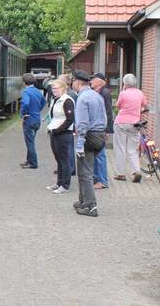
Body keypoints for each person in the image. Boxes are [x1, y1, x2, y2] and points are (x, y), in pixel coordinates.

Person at [72, 69, 107, 217]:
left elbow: (82, 122)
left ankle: (90, 206)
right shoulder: (96, 95)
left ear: (78, 82)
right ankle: (83, 200)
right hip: (99, 135)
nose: (72, 84)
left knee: (85, 172)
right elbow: (104, 116)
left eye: (73, 81)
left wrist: (80, 141)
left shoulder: (82, 98)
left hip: (88, 136)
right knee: (84, 169)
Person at [113, 73, 148, 183]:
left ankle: (121, 174)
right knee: (133, 149)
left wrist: (124, 90)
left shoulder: (123, 93)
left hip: (122, 122)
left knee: (120, 148)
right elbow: (145, 105)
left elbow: (118, 106)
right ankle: (137, 170)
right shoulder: (140, 93)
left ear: (125, 83)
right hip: (135, 123)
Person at [45, 80, 75, 194]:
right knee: (58, 158)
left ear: (63, 88)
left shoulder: (67, 100)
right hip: (54, 130)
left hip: (63, 132)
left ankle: (65, 185)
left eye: (56, 88)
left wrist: (59, 129)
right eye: (53, 88)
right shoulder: (56, 100)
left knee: (64, 158)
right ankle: (59, 182)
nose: (54, 90)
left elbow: (70, 118)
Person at [90, 72, 114, 189]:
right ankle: (96, 177)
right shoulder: (98, 93)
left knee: (101, 154)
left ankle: (103, 180)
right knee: (96, 153)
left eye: (93, 79)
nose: (91, 81)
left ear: (100, 82)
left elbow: (108, 112)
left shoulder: (105, 93)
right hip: (99, 127)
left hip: (102, 128)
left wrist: (107, 129)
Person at [20, 73, 47, 169]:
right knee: (31, 141)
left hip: (29, 120)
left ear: (24, 83)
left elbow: (26, 103)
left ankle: (33, 163)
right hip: (37, 119)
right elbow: (44, 101)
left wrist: (24, 113)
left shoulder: (26, 92)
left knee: (30, 142)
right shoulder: (38, 91)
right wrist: (38, 109)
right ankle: (29, 160)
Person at [58, 73, 77, 176]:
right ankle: (70, 167)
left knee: (68, 148)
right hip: (68, 124)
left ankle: (70, 168)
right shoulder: (70, 93)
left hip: (67, 125)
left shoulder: (69, 95)